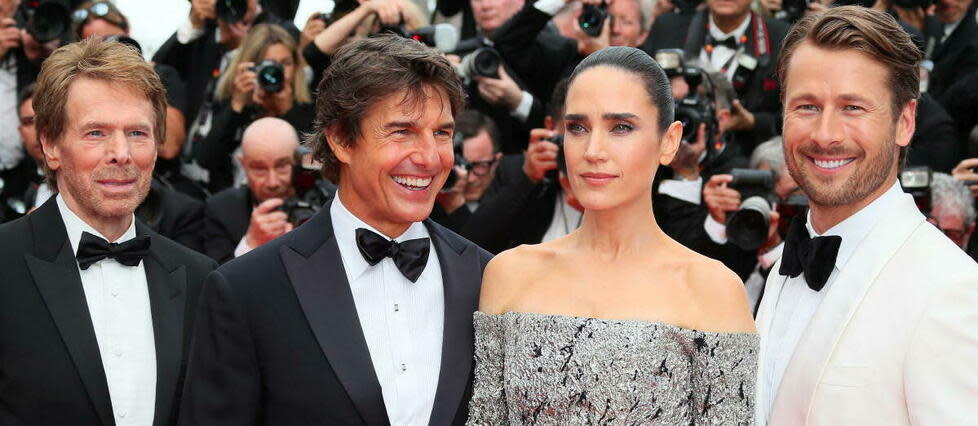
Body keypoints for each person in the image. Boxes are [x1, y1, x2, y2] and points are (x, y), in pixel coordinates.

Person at [179, 35, 492, 426]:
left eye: (442, 133)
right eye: (402, 131)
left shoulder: (486, 277)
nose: (430, 157)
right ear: (341, 139)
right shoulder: (247, 291)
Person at [468, 46, 756, 423]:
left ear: (669, 141)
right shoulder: (509, 273)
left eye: (621, 127)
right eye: (578, 128)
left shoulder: (713, 289)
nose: (593, 150)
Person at [755, 7, 978, 424]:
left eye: (853, 108)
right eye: (806, 106)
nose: (825, 135)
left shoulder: (952, 291)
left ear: (905, 122)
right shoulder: (785, 270)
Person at [0, 37, 216, 426]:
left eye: (137, 133)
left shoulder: (200, 278)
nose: (122, 153)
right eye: (96, 133)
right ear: (50, 143)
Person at [642, 0, 790, 154]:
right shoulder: (668, 28)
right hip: (669, 150)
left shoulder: (781, 38)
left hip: (745, 159)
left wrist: (752, 122)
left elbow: (791, 113)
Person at [190, 23, 314, 192]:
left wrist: (287, 111)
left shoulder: (306, 107)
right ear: (250, 66)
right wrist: (237, 106)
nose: (277, 73)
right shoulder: (236, 104)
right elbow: (205, 159)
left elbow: (312, 162)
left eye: (285, 63)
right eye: (268, 65)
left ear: (296, 65)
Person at [201, 117, 313, 263]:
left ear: (299, 161)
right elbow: (213, 281)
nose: (272, 182)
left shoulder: (330, 200)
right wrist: (250, 244)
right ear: (243, 165)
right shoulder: (222, 210)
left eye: (282, 166)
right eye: (259, 169)